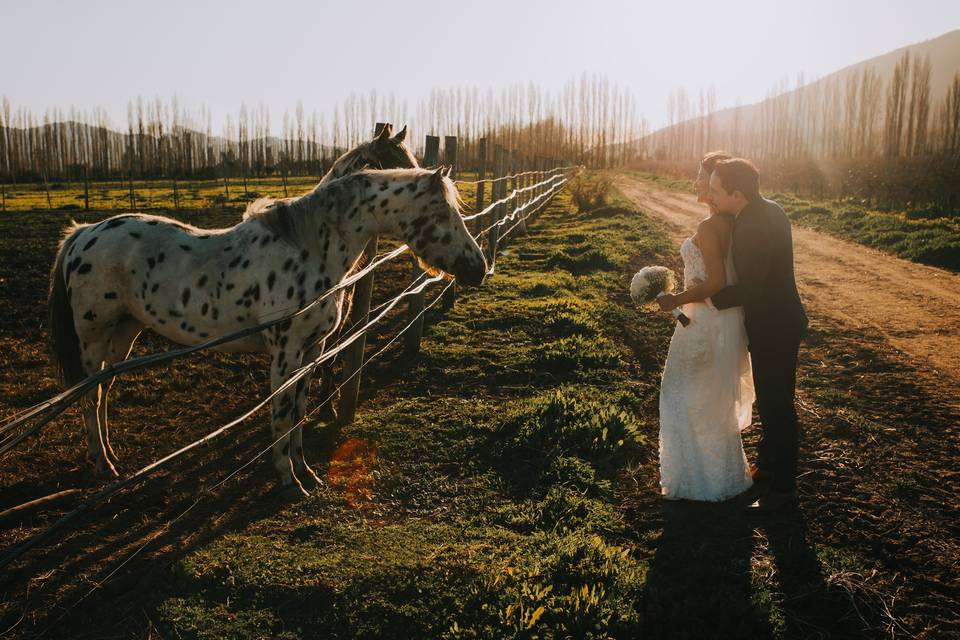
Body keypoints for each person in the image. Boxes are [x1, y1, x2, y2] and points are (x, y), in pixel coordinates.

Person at [653, 151, 755, 502]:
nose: (697, 182)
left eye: (702, 177)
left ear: (715, 185)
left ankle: (697, 482)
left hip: (703, 321)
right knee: (710, 398)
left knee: (680, 394)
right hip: (714, 319)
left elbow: (715, 282)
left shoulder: (709, 227)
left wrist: (674, 299)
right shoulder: (729, 223)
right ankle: (721, 478)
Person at [708, 158, 807, 512]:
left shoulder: (752, 227)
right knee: (772, 401)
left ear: (737, 193)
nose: (712, 196)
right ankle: (768, 470)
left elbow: (752, 288)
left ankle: (782, 489)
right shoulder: (769, 210)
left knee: (777, 406)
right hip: (780, 321)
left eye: (717, 191)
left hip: (775, 325)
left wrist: (709, 295)